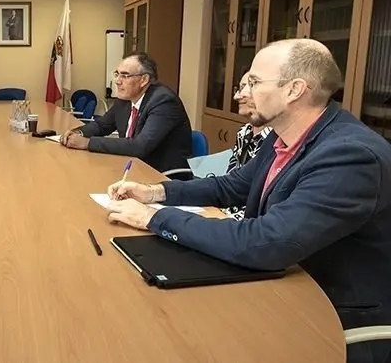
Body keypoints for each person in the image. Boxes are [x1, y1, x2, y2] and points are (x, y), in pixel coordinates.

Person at [106, 39, 391, 363]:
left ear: (294, 90)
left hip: (331, 317)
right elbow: (234, 186)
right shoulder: (285, 134)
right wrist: (157, 192)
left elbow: (266, 242)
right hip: (281, 282)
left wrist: (151, 218)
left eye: (254, 82)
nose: (240, 92)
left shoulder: (350, 156)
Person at [61, 52, 193, 177]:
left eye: (125, 76)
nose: (118, 81)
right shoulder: (126, 99)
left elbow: (140, 146)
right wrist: (78, 133)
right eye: (117, 74)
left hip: (160, 176)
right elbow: (102, 125)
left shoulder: (164, 101)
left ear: (144, 80)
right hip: (130, 168)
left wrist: (87, 143)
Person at [223, 71, 272, 220]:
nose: (237, 96)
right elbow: (231, 180)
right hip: (227, 210)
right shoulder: (243, 132)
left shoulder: (277, 140)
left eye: (248, 87)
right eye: (239, 88)